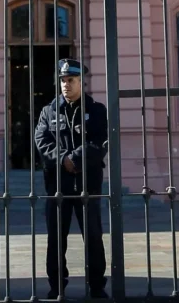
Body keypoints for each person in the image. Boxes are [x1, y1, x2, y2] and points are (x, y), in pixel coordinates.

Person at [33, 58, 109, 299]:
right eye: (63, 80)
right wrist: (63, 158)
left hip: (88, 184)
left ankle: (97, 286)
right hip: (58, 186)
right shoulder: (49, 111)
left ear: (81, 82)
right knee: (56, 239)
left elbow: (101, 142)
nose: (66, 85)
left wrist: (75, 159)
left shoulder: (96, 110)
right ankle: (56, 286)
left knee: (94, 238)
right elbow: (41, 140)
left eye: (71, 80)